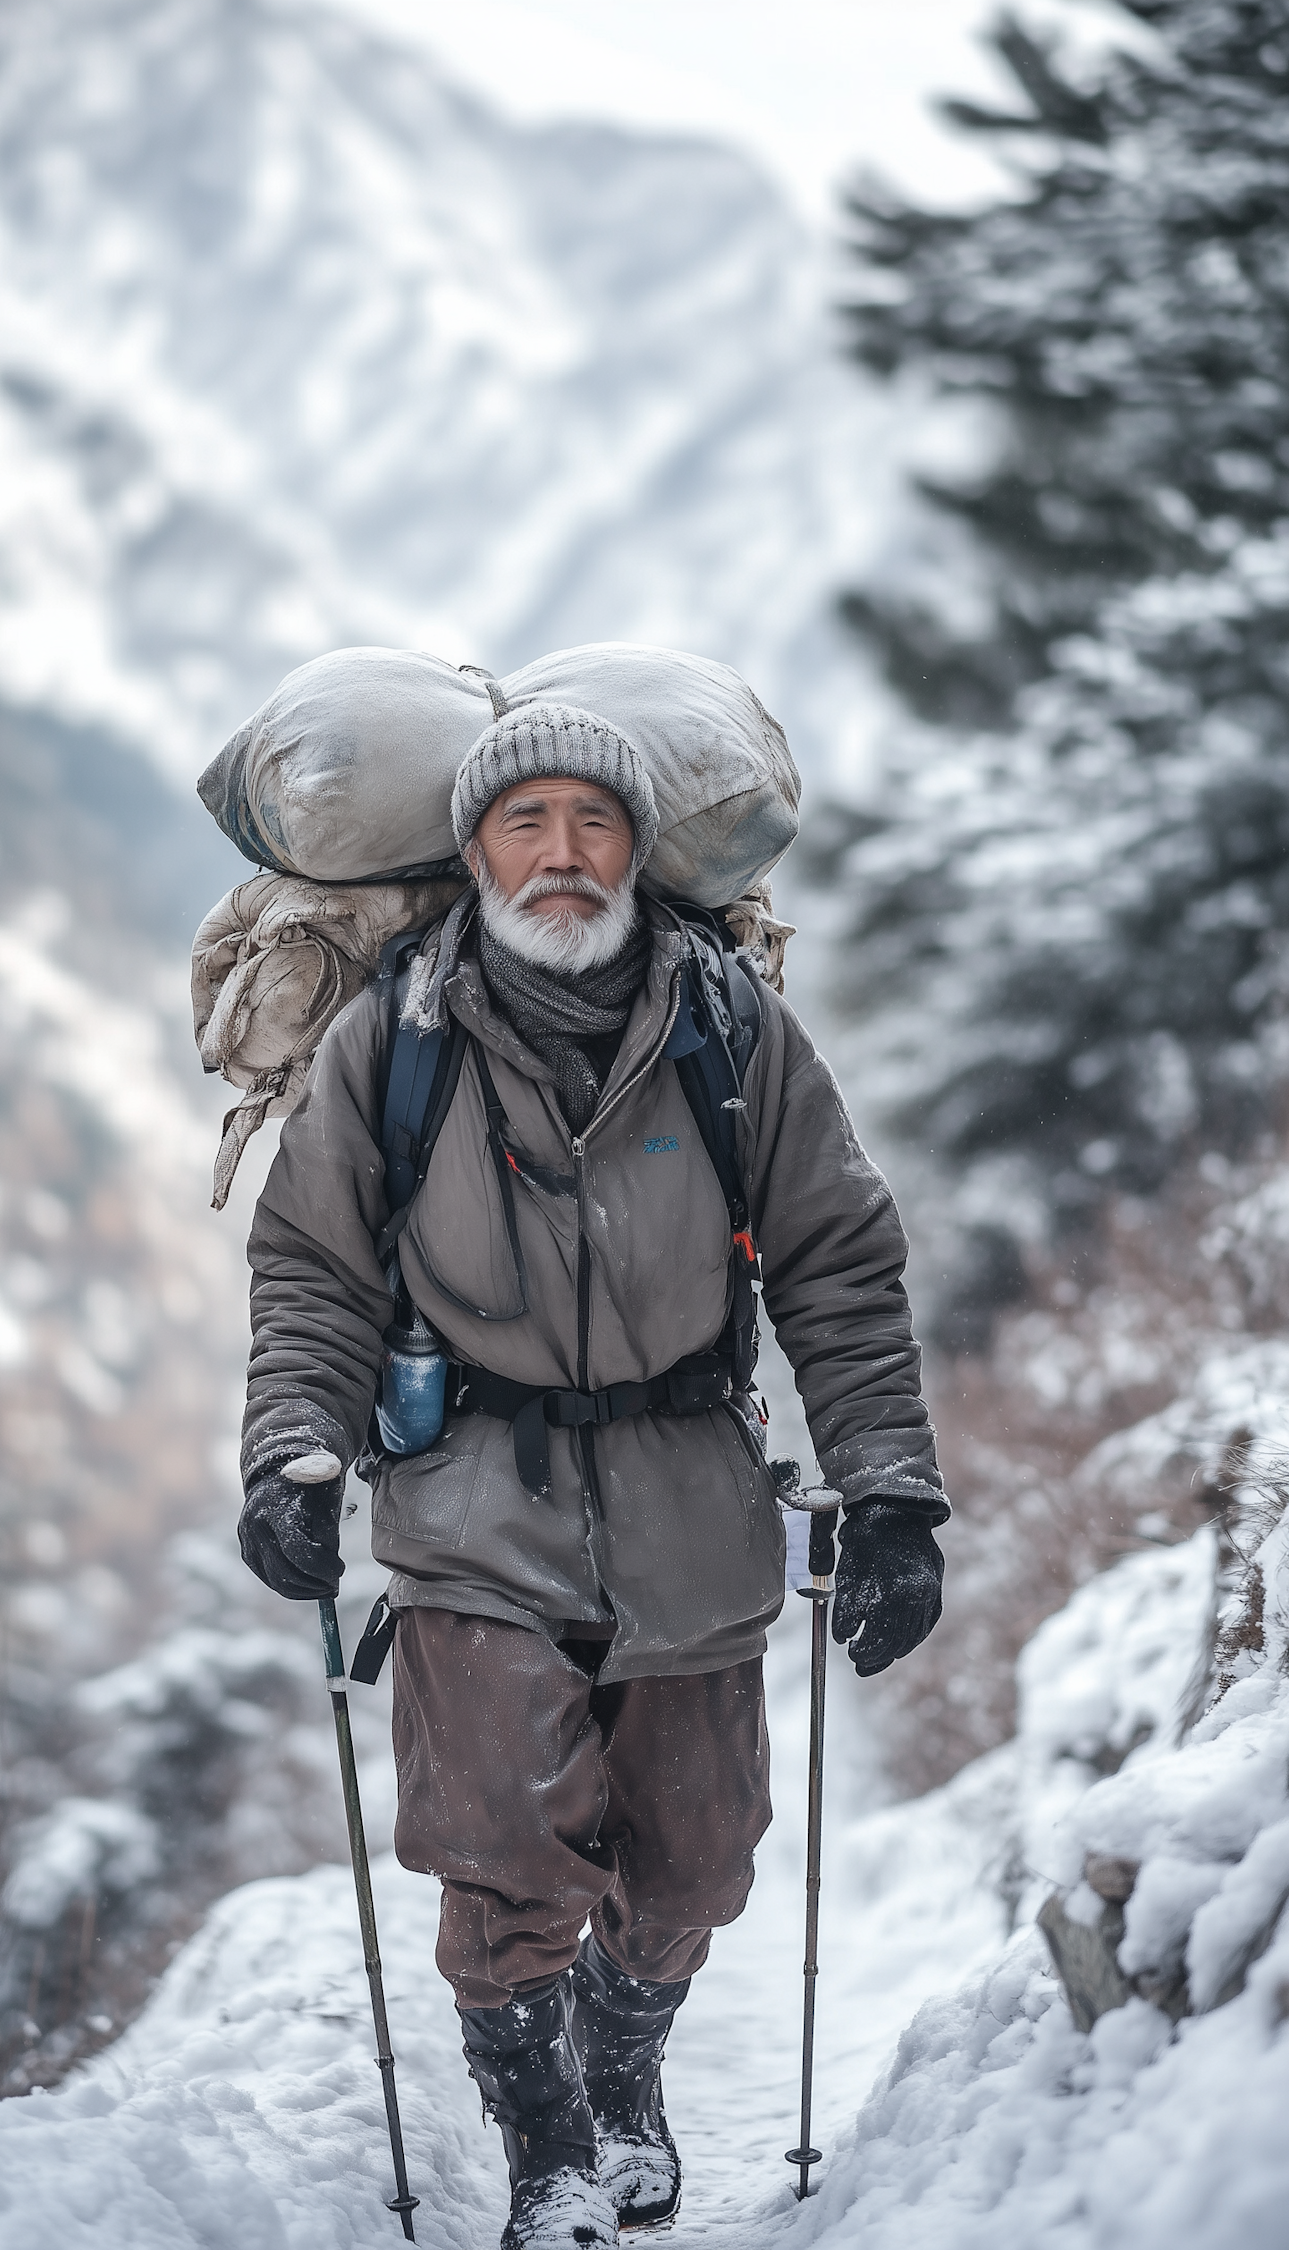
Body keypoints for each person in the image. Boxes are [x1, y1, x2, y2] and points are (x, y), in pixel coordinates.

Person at [237, 704, 946, 2249]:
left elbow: (838, 1258)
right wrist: (292, 1456)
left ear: (638, 850)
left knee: (697, 1853)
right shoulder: (399, 1038)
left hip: (691, 1498)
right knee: (495, 1829)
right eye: (525, 822)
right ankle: (547, 2138)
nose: (562, 854)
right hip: (468, 1499)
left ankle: (625, 2064)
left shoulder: (729, 1029)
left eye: (594, 822)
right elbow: (310, 1267)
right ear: (475, 851)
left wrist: (888, 1489)